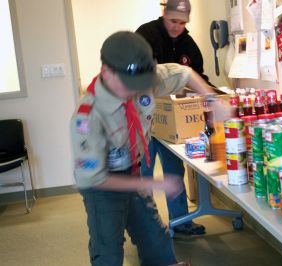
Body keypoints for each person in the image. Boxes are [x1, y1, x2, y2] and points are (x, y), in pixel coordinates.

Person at [70, 31, 228, 266]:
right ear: (107, 72)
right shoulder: (87, 118)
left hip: (133, 170)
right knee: (108, 251)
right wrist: (151, 183)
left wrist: (214, 99)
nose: (136, 92)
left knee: (156, 241)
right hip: (101, 187)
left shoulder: (143, 76)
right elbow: (95, 179)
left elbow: (184, 73)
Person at [136, 0, 213, 235]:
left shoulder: (189, 44)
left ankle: (181, 222)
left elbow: (198, 77)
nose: (177, 27)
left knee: (173, 170)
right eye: (173, 21)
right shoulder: (145, 34)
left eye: (182, 22)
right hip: (143, 118)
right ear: (164, 14)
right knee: (144, 174)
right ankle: (146, 227)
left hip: (171, 122)